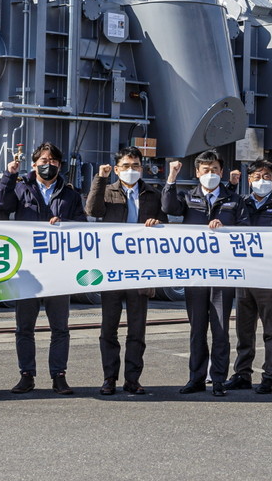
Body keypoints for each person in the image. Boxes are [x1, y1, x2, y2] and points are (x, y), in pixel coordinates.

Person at [0, 142, 87, 395]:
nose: (49, 164)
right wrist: (8, 176)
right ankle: (27, 375)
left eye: (54, 161)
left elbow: (82, 224)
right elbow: (3, 206)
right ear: (34, 164)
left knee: (60, 328)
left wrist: (65, 222)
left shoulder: (70, 194)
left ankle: (59, 375)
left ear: (60, 164)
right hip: (28, 268)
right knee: (24, 327)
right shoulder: (21, 186)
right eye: (44, 160)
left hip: (58, 270)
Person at [162, 149, 250, 396]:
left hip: (223, 273)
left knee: (220, 329)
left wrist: (226, 228)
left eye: (214, 170)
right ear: (197, 173)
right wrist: (171, 177)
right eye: (205, 170)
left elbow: (245, 228)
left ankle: (219, 379)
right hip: (196, 272)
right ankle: (196, 378)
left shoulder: (234, 200)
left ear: (221, 172)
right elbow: (169, 207)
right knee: (197, 328)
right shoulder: (188, 197)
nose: (210, 174)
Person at [85, 146, 167, 396]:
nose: (131, 171)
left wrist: (158, 224)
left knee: (137, 328)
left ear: (142, 168)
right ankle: (109, 377)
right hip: (112, 268)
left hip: (141, 269)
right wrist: (100, 179)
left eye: (136, 166)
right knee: (108, 327)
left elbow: (164, 224)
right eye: (126, 166)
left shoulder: (152, 194)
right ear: (117, 168)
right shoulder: (107, 191)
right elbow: (92, 211)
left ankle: (133, 379)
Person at [224, 158, 272, 394]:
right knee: (244, 329)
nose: (261, 181)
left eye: (266, 176)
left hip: (270, 276)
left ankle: (270, 375)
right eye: (256, 176)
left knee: (271, 329)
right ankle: (242, 373)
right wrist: (231, 187)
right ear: (248, 179)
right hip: (244, 274)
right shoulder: (239, 203)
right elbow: (222, 216)